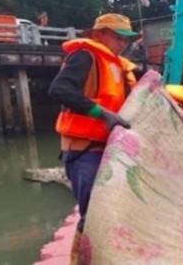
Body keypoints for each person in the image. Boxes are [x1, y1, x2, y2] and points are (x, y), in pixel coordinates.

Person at [48, 13, 140, 265]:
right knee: (94, 215)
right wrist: (102, 113)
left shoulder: (120, 66)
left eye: (126, 39)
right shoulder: (84, 56)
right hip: (84, 149)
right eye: (117, 37)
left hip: (111, 149)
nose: (123, 43)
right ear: (98, 34)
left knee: (115, 211)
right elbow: (60, 89)